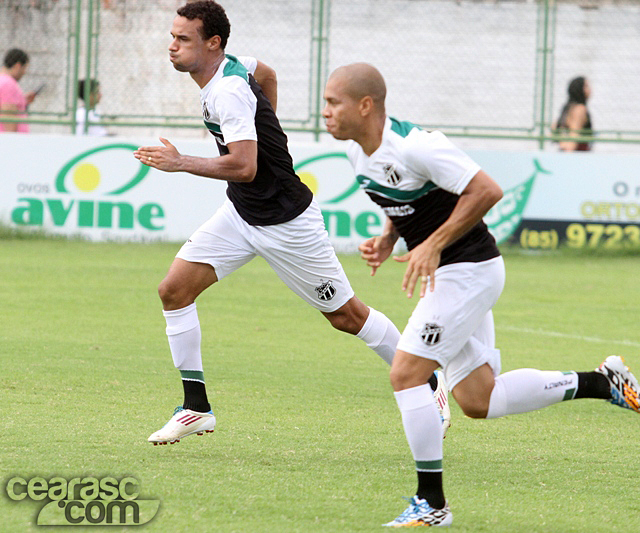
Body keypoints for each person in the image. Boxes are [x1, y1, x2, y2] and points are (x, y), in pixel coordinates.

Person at [323, 62, 640, 527]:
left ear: (365, 105)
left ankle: (432, 503)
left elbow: (486, 190)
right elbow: (405, 200)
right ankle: (602, 382)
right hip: (456, 274)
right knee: (478, 400)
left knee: (406, 373)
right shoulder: (357, 152)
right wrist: (388, 238)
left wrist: (433, 245)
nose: (325, 112)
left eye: (332, 103)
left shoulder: (417, 145)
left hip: (468, 271)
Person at [133, 1, 449, 446]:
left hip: (287, 222)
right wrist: (267, 125)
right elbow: (268, 74)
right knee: (173, 290)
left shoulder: (227, 92)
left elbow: (244, 166)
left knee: (346, 316)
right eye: (173, 37)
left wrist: (181, 161)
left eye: (183, 39)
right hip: (242, 213)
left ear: (213, 43)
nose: (172, 46)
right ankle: (196, 408)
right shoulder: (237, 66)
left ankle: (429, 380)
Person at [0, 48, 36, 133]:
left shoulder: (3, 80)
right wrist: (13, 138)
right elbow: (8, 114)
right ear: (18, 66)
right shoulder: (8, 84)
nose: (24, 72)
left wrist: (23, 100)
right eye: (24, 68)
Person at [553, 76, 592, 151]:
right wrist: (568, 152)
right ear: (579, 89)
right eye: (586, 86)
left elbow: (555, 127)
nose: (590, 89)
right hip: (577, 153)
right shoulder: (580, 109)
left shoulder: (568, 108)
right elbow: (574, 135)